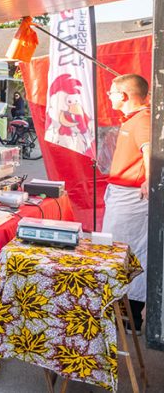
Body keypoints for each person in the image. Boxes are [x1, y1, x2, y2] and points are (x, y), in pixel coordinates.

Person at [103, 73, 151, 331]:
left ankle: (130, 312)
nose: (109, 97)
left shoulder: (142, 120)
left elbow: (150, 151)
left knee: (128, 252)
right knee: (118, 250)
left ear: (124, 95)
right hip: (122, 194)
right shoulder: (133, 120)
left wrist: (148, 181)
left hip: (132, 198)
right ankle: (122, 307)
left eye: (112, 92)